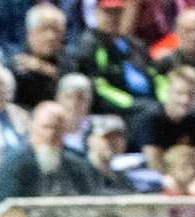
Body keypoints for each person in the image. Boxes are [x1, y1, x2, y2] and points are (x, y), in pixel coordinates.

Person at [68, 0, 161, 149]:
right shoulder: (91, 44)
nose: (114, 18)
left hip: (146, 102)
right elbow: (98, 86)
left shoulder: (136, 45)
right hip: (117, 106)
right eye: (108, 13)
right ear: (97, 14)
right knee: (150, 112)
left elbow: (155, 75)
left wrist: (164, 100)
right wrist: (129, 102)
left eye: (118, 13)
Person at [12, 1, 66, 108]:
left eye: (56, 30)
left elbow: (70, 80)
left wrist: (41, 67)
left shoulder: (67, 60)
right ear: (30, 32)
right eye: (45, 29)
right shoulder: (16, 60)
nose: (51, 36)